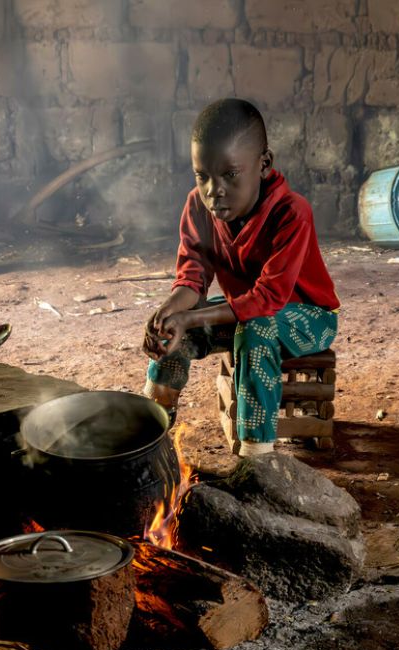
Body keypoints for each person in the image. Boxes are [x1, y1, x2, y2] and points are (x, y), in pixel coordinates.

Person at [141, 98, 340, 457]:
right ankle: (148, 433)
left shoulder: (293, 213)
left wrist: (190, 316)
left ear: (264, 164)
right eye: (202, 176)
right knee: (175, 332)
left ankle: (255, 460)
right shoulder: (198, 207)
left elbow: (266, 299)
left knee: (255, 328)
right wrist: (169, 313)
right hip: (246, 312)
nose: (213, 190)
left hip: (310, 317)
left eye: (230, 174)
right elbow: (192, 278)